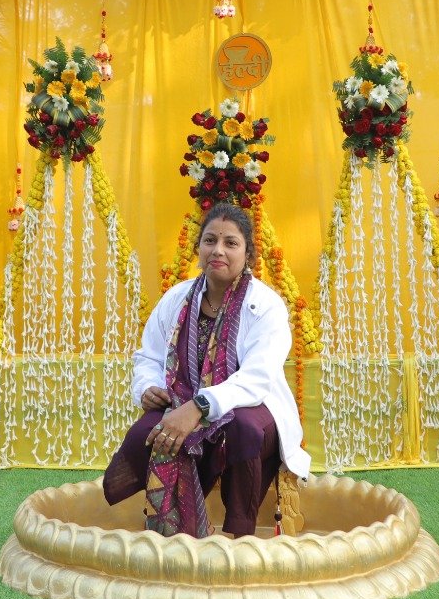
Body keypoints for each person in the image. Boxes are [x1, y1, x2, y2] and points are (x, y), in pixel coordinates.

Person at [102, 202, 311, 537]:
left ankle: (240, 534)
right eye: (210, 240)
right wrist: (147, 387)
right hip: (178, 400)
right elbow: (149, 356)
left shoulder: (265, 305)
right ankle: (174, 532)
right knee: (145, 435)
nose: (218, 250)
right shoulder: (177, 298)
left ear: (248, 254)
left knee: (243, 430)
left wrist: (198, 408)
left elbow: (256, 378)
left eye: (231, 243)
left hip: (250, 408)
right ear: (199, 248)